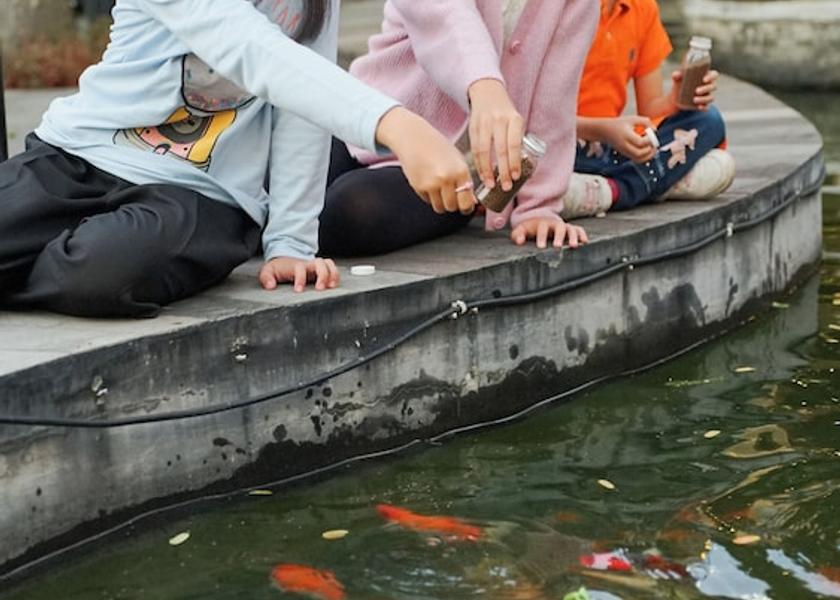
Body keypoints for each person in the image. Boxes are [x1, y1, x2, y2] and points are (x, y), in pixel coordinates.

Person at [0, 0, 476, 318]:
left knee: (100, 275)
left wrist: (291, 244)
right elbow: (250, 47)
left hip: (200, 196)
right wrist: (397, 125)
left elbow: (300, 106)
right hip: (77, 155)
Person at [319, 0, 599, 256]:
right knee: (284, 194)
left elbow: (554, 96)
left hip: (453, 172)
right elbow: (442, 12)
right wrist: (484, 86)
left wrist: (539, 206)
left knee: (350, 212)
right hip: (374, 116)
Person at [558, 0, 736, 220]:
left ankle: (610, 190)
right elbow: (534, 116)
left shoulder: (642, 8)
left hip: (611, 148)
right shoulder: (559, 8)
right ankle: (657, 182)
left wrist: (676, 99)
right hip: (564, 141)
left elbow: (650, 111)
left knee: (709, 120)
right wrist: (602, 130)